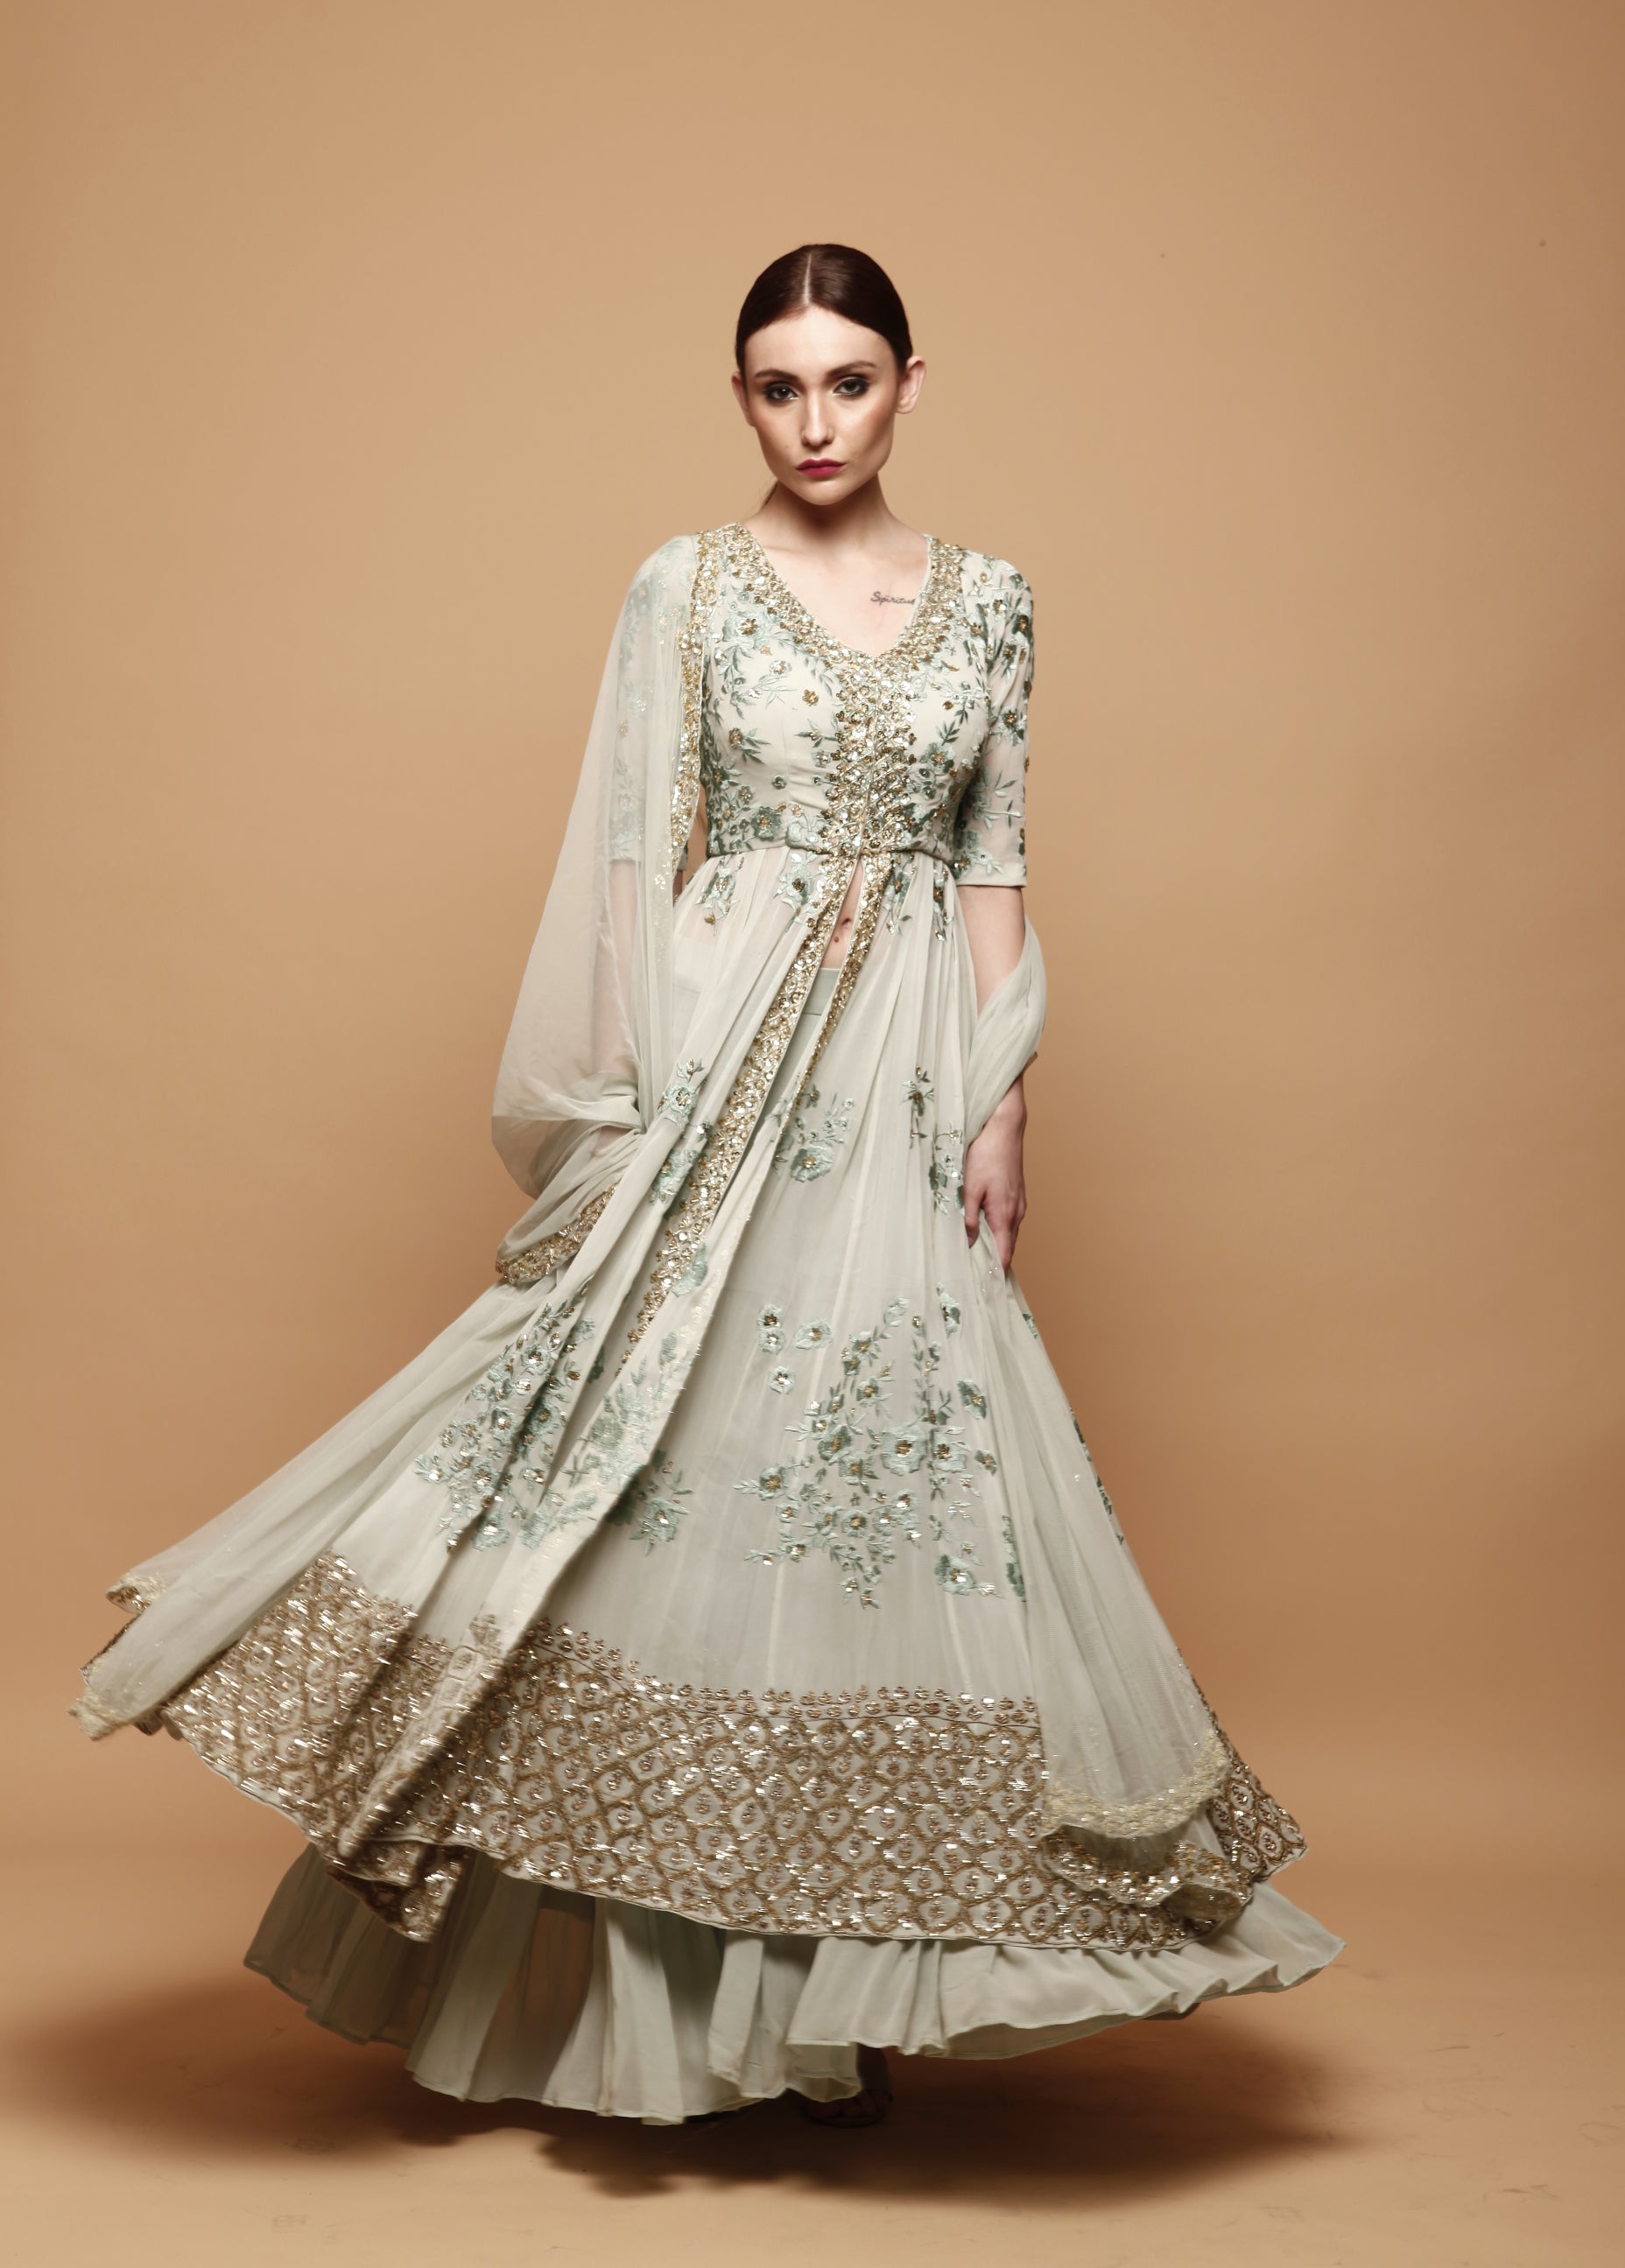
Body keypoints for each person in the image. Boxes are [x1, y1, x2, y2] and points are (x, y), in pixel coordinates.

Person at [76, 243, 1340, 2128]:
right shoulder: (686, 585)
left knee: (877, 1474)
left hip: (910, 1058)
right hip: (724, 1047)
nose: (815, 419)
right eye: (777, 385)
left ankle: (838, 2000)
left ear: (911, 383)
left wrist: (1003, 1101)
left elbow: (993, 860)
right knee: (674, 1456)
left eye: (849, 379)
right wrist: (629, 1109)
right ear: (741, 397)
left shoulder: (993, 598)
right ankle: (666, 1996)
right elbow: (630, 857)